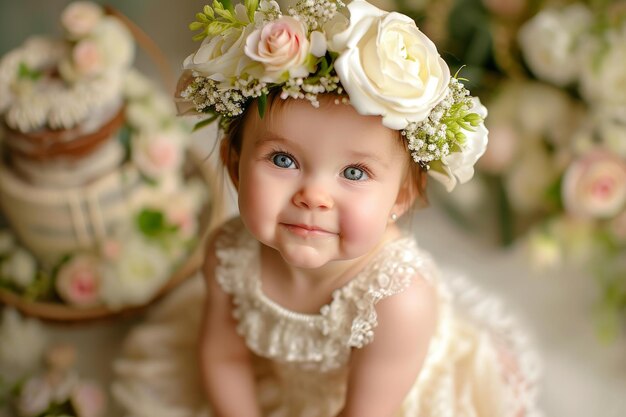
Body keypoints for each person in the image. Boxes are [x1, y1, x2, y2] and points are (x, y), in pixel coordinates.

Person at [113, 1, 542, 416]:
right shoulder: (229, 256)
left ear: (402, 196)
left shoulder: (398, 301)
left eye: (354, 173)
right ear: (234, 165)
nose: (314, 196)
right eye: (284, 160)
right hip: (283, 380)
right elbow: (224, 357)